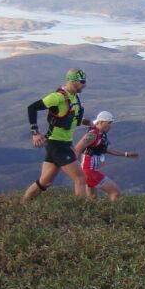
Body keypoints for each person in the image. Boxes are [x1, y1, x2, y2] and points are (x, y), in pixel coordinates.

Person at [23, 69, 89, 200]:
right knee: (81, 178)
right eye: (82, 82)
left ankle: (23, 204)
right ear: (73, 81)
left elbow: (65, 119)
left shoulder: (75, 97)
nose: (84, 85)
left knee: (45, 182)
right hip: (58, 145)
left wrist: (83, 121)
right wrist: (35, 132)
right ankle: (82, 214)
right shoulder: (57, 97)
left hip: (61, 143)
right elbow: (32, 108)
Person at [73, 110, 139, 201]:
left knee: (93, 200)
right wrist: (75, 169)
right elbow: (77, 148)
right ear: (101, 122)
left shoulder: (100, 134)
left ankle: (92, 214)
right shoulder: (92, 135)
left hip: (91, 170)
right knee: (115, 192)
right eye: (109, 123)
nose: (110, 126)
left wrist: (126, 154)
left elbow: (106, 149)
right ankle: (112, 213)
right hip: (90, 171)